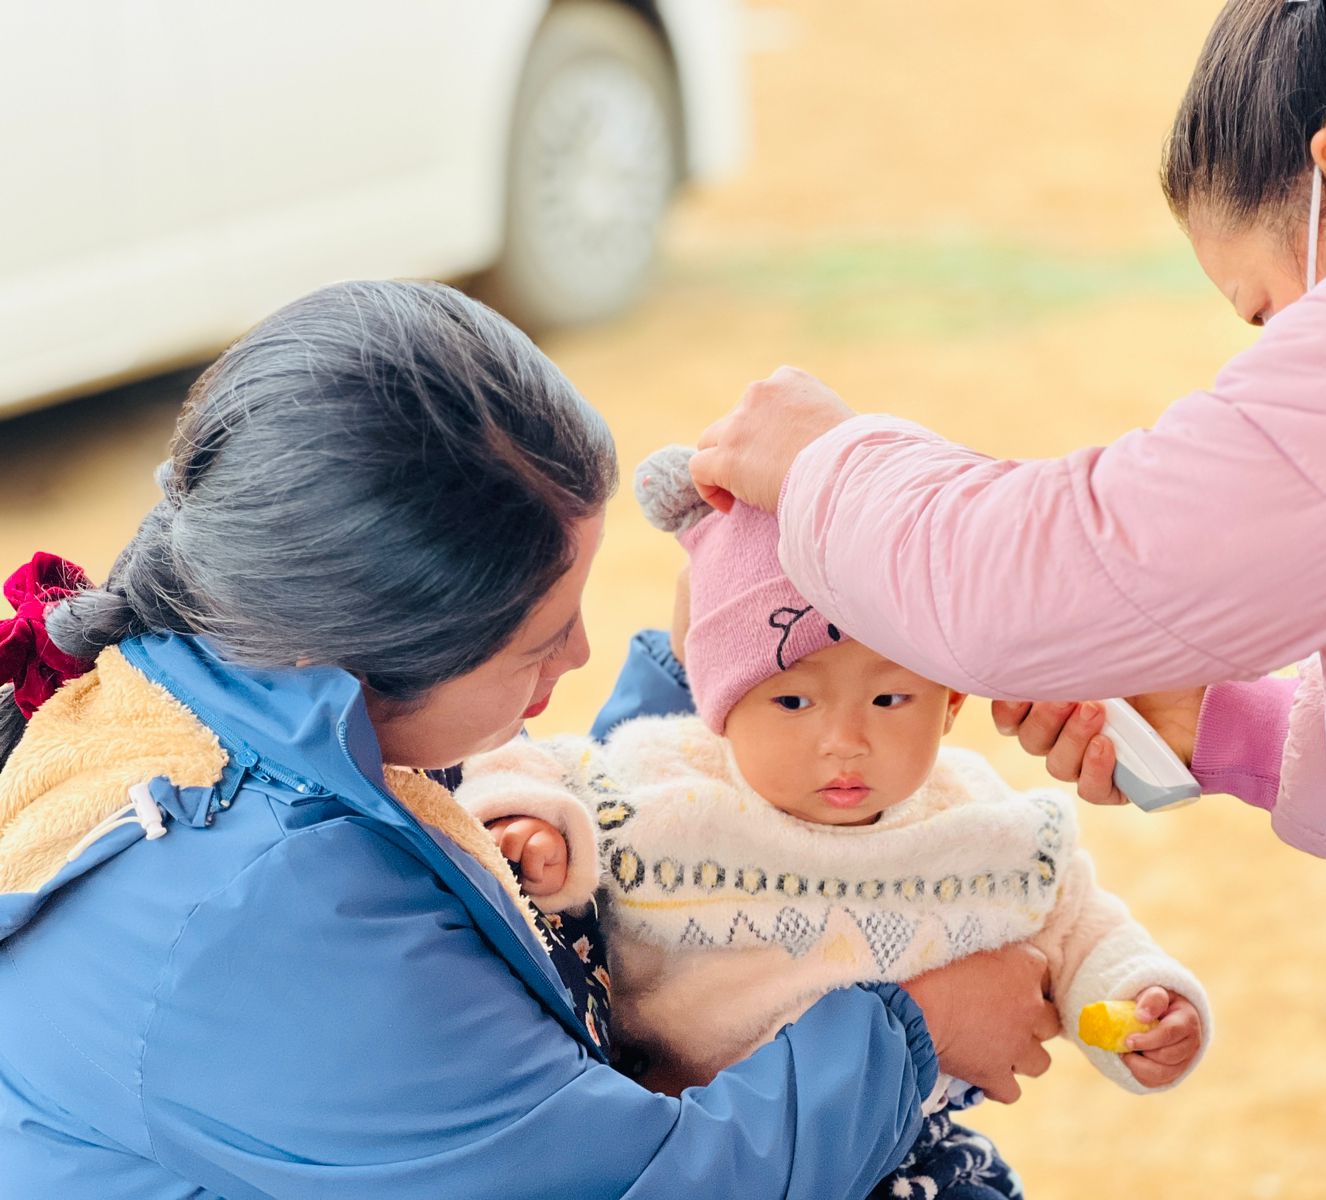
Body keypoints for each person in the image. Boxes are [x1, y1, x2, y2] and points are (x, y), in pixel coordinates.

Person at [686, 2, 1326, 1196]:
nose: (1276, 366)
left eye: (1269, 319)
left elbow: (1069, 565)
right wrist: (1223, 727)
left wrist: (825, 459)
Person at [0, 280, 1057, 1199]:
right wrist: (908, 1034)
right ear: (373, 656)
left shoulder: (220, 692)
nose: (582, 657)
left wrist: (715, 675)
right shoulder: (255, 914)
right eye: (538, 644)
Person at [456, 446, 1210, 1200]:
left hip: (903, 1152)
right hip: (712, 1139)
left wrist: (1140, 1002)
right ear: (718, 700)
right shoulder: (666, 781)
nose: (845, 742)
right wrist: (534, 826)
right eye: (791, 702)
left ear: (951, 702)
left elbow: (1077, 924)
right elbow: (530, 764)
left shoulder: (970, 818)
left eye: (889, 701)